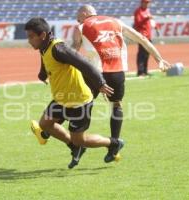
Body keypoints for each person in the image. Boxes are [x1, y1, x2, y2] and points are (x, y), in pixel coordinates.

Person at [71, 4, 170, 159]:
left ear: (84, 13)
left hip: (95, 72)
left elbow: (74, 50)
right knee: (116, 105)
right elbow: (142, 39)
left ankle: (78, 142)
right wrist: (159, 59)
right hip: (116, 71)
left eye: (78, 17)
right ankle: (114, 145)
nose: (77, 20)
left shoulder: (81, 27)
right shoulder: (116, 22)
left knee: (83, 102)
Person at [25, 17, 124, 169]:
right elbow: (45, 60)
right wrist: (42, 74)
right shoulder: (43, 47)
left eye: (31, 37)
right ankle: (74, 146)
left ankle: (114, 143)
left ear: (42, 35)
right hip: (61, 98)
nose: (29, 40)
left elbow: (84, 63)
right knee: (45, 124)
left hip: (79, 101)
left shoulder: (59, 49)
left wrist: (100, 83)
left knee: (80, 139)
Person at [134, 0, 159, 76]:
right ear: (142, 3)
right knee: (141, 54)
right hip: (142, 36)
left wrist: (156, 27)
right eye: (146, 2)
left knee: (147, 54)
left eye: (148, 3)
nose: (147, 4)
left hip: (148, 35)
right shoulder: (138, 11)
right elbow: (138, 23)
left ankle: (145, 70)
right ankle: (140, 72)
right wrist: (146, 18)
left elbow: (151, 21)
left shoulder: (147, 11)